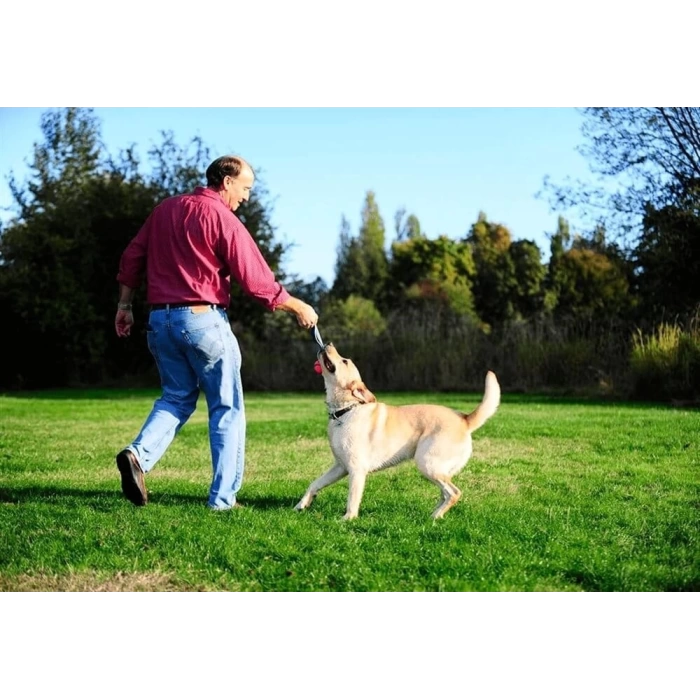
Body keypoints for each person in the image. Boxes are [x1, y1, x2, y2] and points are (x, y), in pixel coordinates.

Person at [114, 155, 318, 510]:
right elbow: (257, 282)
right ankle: (223, 500)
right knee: (227, 407)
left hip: (159, 322)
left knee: (176, 397)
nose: (247, 197)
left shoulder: (164, 210)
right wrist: (297, 305)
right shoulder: (222, 218)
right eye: (246, 188)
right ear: (226, 181)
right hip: (202, 320)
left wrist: (125, 306)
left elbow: (132, 257)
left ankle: (137, 454)